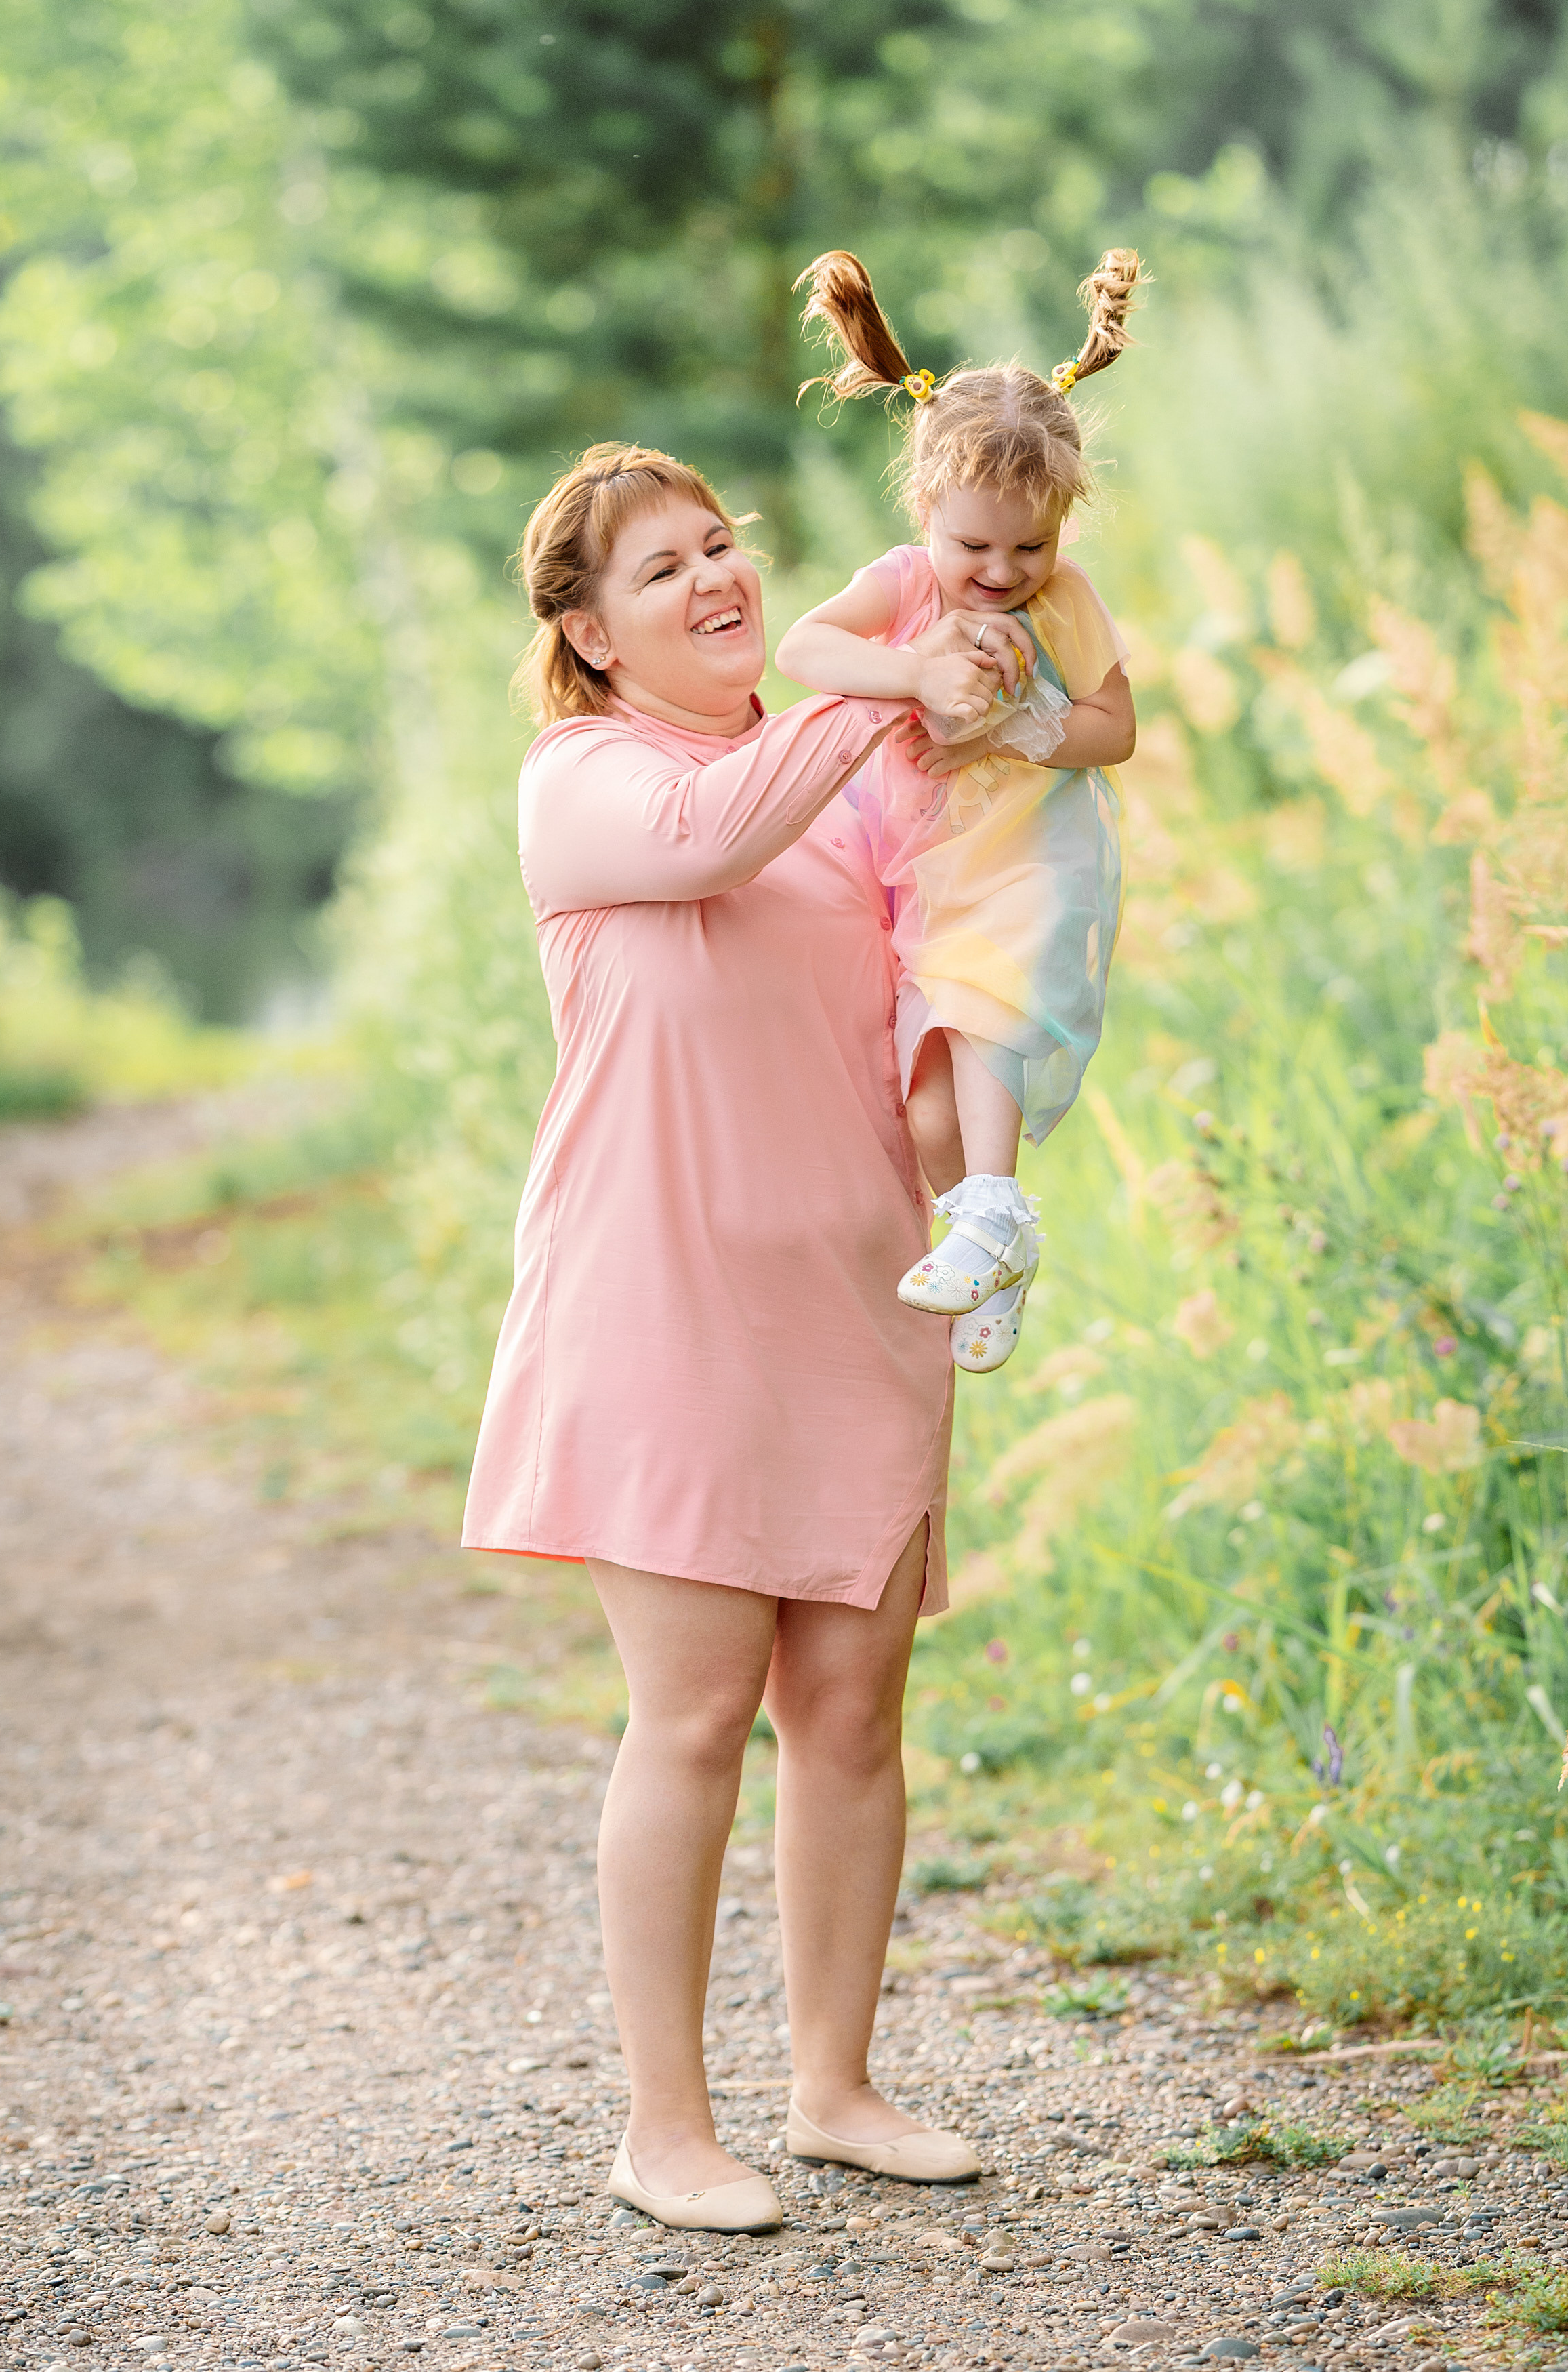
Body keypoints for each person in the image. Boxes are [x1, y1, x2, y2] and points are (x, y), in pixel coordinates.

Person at [462, 443, 981, 2234]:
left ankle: (834, 2085)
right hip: (659, 1306)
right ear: (590, 636)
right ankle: (664, 2127)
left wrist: (976, 1134)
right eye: (661, 567)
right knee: (691, 1714)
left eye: (720, 545)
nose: (713, 577)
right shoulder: (584, 778)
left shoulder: (842, 783)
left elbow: (928, 994)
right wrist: (886, 673)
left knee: (850, 1711)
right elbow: (716, 834)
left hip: (852, 1293)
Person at [775, 248, 1144, 1373]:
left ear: (1062, 526)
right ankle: (988, 1234)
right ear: (925, 508)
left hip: (1026, 860)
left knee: (981, 1020)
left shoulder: (1063, 603)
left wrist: (1030, 722)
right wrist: (918, 673)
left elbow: (1114, 729)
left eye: (1028, 547)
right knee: (926, 1107)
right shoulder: (904, 581)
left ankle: (994, 1214)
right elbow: (803, 648)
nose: (997, 571)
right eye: (972, 544)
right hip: (916, 867)